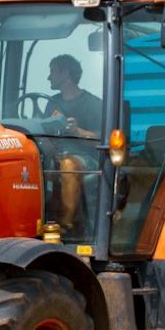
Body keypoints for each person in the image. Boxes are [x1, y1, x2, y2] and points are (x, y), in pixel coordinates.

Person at [42, 54, 103, 234]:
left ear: (65, 73)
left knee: (68, 165)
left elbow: (102, 139)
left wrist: (77, 131)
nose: (48, 77)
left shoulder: (93, 104)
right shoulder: (52, 103)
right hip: (55, 155)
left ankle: (66, 225)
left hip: (86, 158)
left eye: (53, 72)